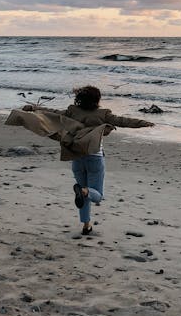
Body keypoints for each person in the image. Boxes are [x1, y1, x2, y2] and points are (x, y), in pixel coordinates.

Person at [18, 85, 154, 235]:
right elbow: (123, 121)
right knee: (96, 195)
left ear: (79, 99)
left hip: (76, 157)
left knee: (84, 195)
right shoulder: (103, 114)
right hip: (94, 158)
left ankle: (86, 225)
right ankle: (83, 191)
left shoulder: (72, 111)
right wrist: (143, 123)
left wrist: (34, 109)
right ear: (97, 100)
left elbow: (54, 113)